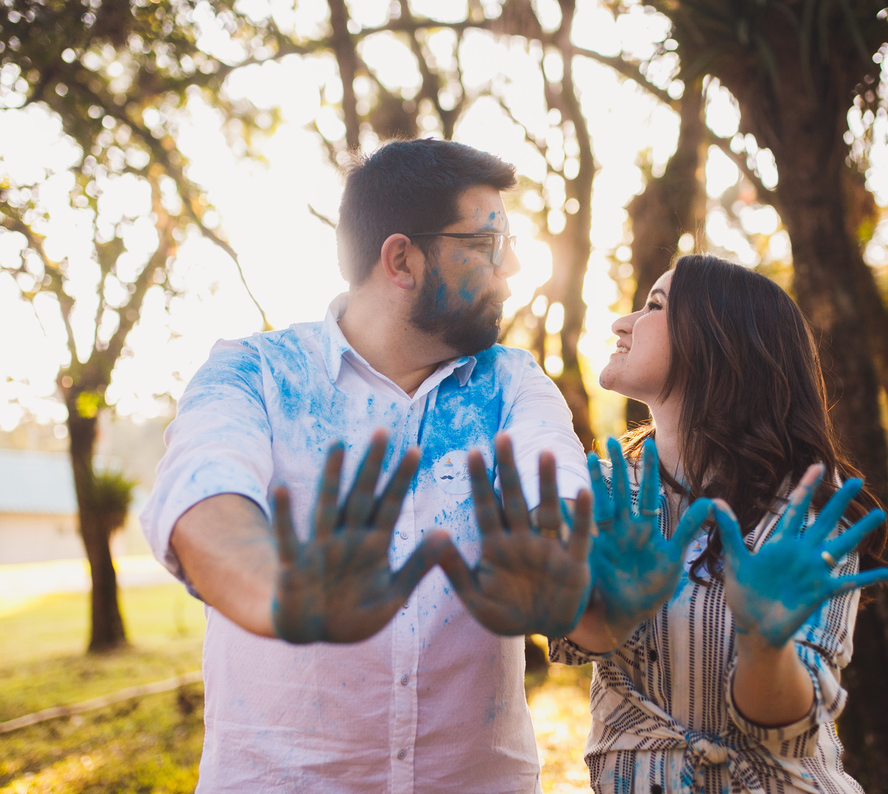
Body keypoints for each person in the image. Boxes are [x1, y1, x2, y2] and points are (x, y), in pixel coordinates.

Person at [140, 138, 594, 793]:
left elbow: (557, 495)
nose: (513, 268)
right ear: (402, 258)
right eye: (488, 245)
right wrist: (284, 596)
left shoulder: (513, 385)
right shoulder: (253, 373)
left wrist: (558, 562)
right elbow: (202, 499)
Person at [550, 254, 888, 793]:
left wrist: (764, 643)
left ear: (720, 341)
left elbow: (786, 726)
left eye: (655, 305)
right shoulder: (606, 490)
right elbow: (577, 642)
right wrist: (604, 604)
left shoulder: (806, 513)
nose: (622, 323)